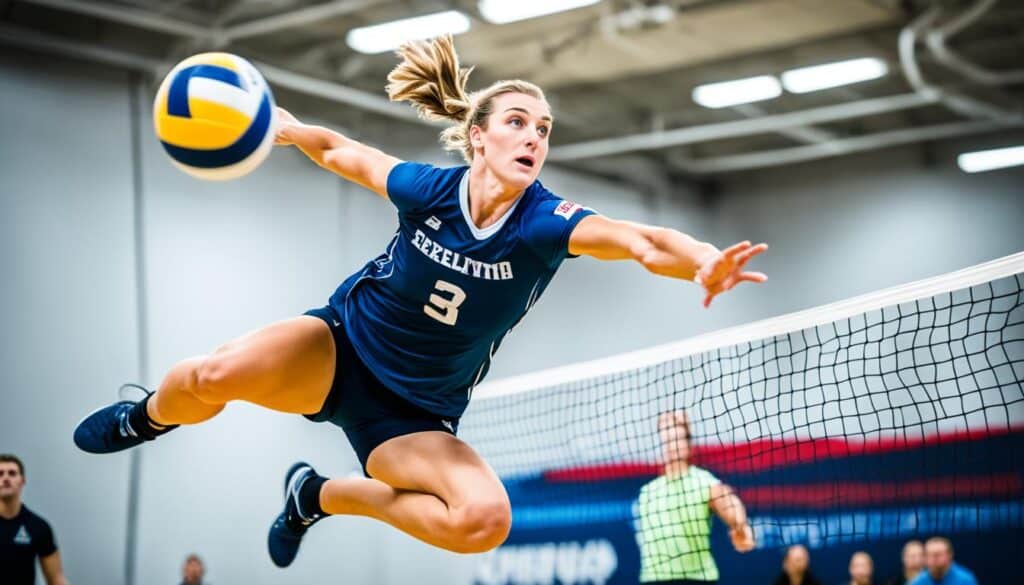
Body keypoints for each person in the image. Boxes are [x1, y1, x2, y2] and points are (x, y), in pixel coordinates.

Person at [73, 35, 768, 568]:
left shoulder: (545, 224)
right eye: (520, 122)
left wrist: (704, 262)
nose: (534, 137)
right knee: (207, 377)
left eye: (545, 128)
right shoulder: (431, 191)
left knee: (483, 521)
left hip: (414, 413)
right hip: (341, 348)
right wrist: (284, 127)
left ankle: (316, 496)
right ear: (479, 137)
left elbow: (640, 239)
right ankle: (145, 418)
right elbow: (347, 153)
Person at [636, 411, 756, 584]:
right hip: (654, 580)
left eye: (678, 437)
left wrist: (740, 524)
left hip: (695, 579)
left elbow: (725, 498)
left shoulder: (702, 480)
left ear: (688, 444)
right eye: (668, 438)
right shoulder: (647, 492)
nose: (673, 444)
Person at [0, 454, 70, 585]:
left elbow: (56, 579)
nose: (5, 478)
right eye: (0, 473)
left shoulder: (38, 527)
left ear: (22, 481)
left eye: (12, 473)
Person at [908, 537, 978, 585]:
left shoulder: (965, 580)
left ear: (949, 555)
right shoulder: (918, 581)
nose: (933, 559)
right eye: (929, 555)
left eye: (937, 555)